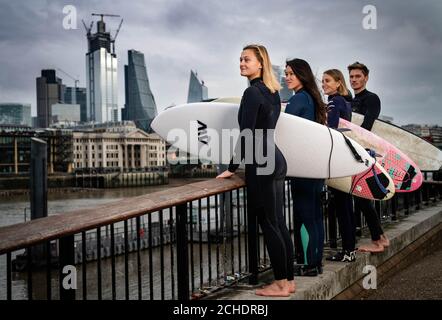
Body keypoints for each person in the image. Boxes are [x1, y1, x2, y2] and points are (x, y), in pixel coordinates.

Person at [217, 44, 295, 297]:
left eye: (246, 59)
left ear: (260, 63)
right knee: (279, 222)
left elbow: (247, 133)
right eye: (240, 59)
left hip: (260, 161)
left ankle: (281, 284)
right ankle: (289, 280)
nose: (241, 63)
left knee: (269, 223)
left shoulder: (252, 93)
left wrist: (231, 167)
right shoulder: (272, 91)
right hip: (275, 158)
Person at [284, 58, 327, 276]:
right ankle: (316, 262)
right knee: (316, 217)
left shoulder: (298, 100)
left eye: (292, 73)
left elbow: (283, 133)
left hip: (301, 168)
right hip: (314, 167)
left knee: (306, 217)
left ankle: (310, 265)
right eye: (286, 73)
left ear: (302, 75)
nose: (287, 77)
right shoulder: (312, 99)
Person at [348, 61, 390, 253]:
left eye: (357, 76)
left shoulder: (372, 99)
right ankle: (378, 237)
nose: (354, 80)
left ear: (366, 77)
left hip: (364, 153)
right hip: (352, 152)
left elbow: (367, 127)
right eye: (351, 77)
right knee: (360, 197)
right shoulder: (349, 100)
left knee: (363, 197)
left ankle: (379, 239)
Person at [322, 69, 356, 262]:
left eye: (327, 81)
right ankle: (349, 250)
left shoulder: (334, 102)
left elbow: (332, 130)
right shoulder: (345, 102)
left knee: (342, 207)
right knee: (346, 206)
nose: (324, 84)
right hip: (345, 158)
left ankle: (347, 252)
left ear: (338, 83)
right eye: (323, 81)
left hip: (337, 159)